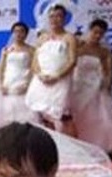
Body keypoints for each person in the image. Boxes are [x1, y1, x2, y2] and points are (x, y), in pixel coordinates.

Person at [71, 19, 112, 157]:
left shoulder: (104, 51)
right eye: (95, 32)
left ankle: (104, 147)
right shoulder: (77, 47)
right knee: (78, 119)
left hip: (97, 87)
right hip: (78, 86)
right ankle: (79, 148)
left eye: (101, 33)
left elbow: (109, 71)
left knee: (103, 118)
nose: (97, 35)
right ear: (89, 30)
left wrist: (107, 85)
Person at [25, 4, 78, 137]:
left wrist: (57, 76)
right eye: (52, 16)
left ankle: (72, 146)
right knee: (44, 115)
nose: (55, 19)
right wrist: (40, 75)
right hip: (41, 80)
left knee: (64, 116)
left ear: (64, 18)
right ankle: (50, 144)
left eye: (58, 16)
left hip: (60, 80)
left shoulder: (69, 37)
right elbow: (34, 61)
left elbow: (72, 61)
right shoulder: (42, 38)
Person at [0, 22, 38, 128]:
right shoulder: (6, 50)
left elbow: (33, 69)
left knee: (25, 115)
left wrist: (28, 84)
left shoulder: (32, 50)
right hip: (8, 82)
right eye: (16, 31)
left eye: (21, 31)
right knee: (7, 113)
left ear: (26, 34)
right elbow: (1, 68)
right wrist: (1, 84)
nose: (18, 34)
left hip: (23, 81)